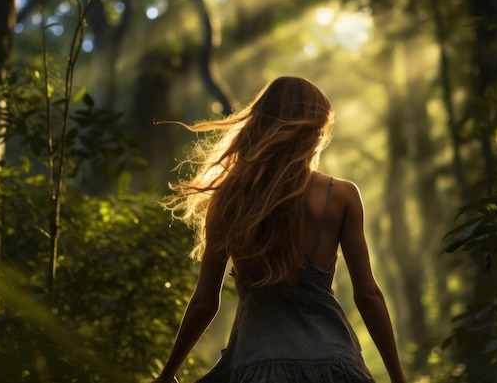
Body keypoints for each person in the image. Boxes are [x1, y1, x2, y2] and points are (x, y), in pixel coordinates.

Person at [152, 76, 407, 383]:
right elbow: (368, 294)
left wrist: (167, 375)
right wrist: (397, 378)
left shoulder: (230, 200)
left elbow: (205, 302)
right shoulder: (340, 196)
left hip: (258, 366)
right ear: (314, 129)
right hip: (336, 366)